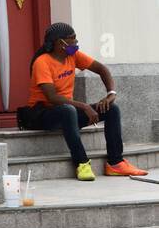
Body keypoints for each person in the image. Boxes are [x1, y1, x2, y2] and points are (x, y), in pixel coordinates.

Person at [22, 22, 148, 181]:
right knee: (68, 110)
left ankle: (115, 163)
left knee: (112, 109)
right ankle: (82, 163)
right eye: (72, 39)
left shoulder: (73, 56)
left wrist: (111, 93)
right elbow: (52, 98)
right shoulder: (42, 62)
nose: (75, 42)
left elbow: (102, 69)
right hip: (41, 114)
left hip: (68, 113)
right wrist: (84, 106)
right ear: (60, 43)